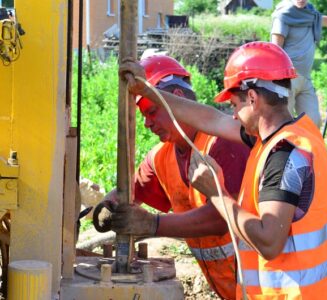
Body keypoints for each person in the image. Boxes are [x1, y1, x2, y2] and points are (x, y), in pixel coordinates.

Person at [119, 42, 327, 299]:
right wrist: (149, 91)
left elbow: (269, 241)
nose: (232, 115)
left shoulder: (283, 154)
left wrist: (215, 191)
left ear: (252, 98)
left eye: (234, 105)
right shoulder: (291, 134)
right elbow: (211, 119)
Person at [93, 55, 251, 300]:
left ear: (175, 97)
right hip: (231, 288)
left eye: (152, 111)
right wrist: (108, 205)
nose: (147, 123)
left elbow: (221, 219)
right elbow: (130, 191)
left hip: (264, 285)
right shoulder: (161, 157)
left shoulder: (223, 144)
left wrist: (153, 225)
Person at [271, 0, 327, 127]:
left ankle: (303, 147)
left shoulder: (309, 13)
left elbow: (322, 19)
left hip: (305, 79)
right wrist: (280, 81)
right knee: (284, 125)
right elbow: (276, 51)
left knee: (313, 123)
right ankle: (284, 147)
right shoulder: (283, 16)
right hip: (287, 79)